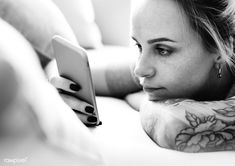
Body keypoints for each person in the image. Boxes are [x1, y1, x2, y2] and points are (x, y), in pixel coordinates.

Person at [50, 0, 235, 152]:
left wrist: (138, 97)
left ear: (221, 48)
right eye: (139, 46)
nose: (139, 69)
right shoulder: (150, 68)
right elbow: (74, 72)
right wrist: (58, 90)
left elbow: (174, 127)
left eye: (163, 50)